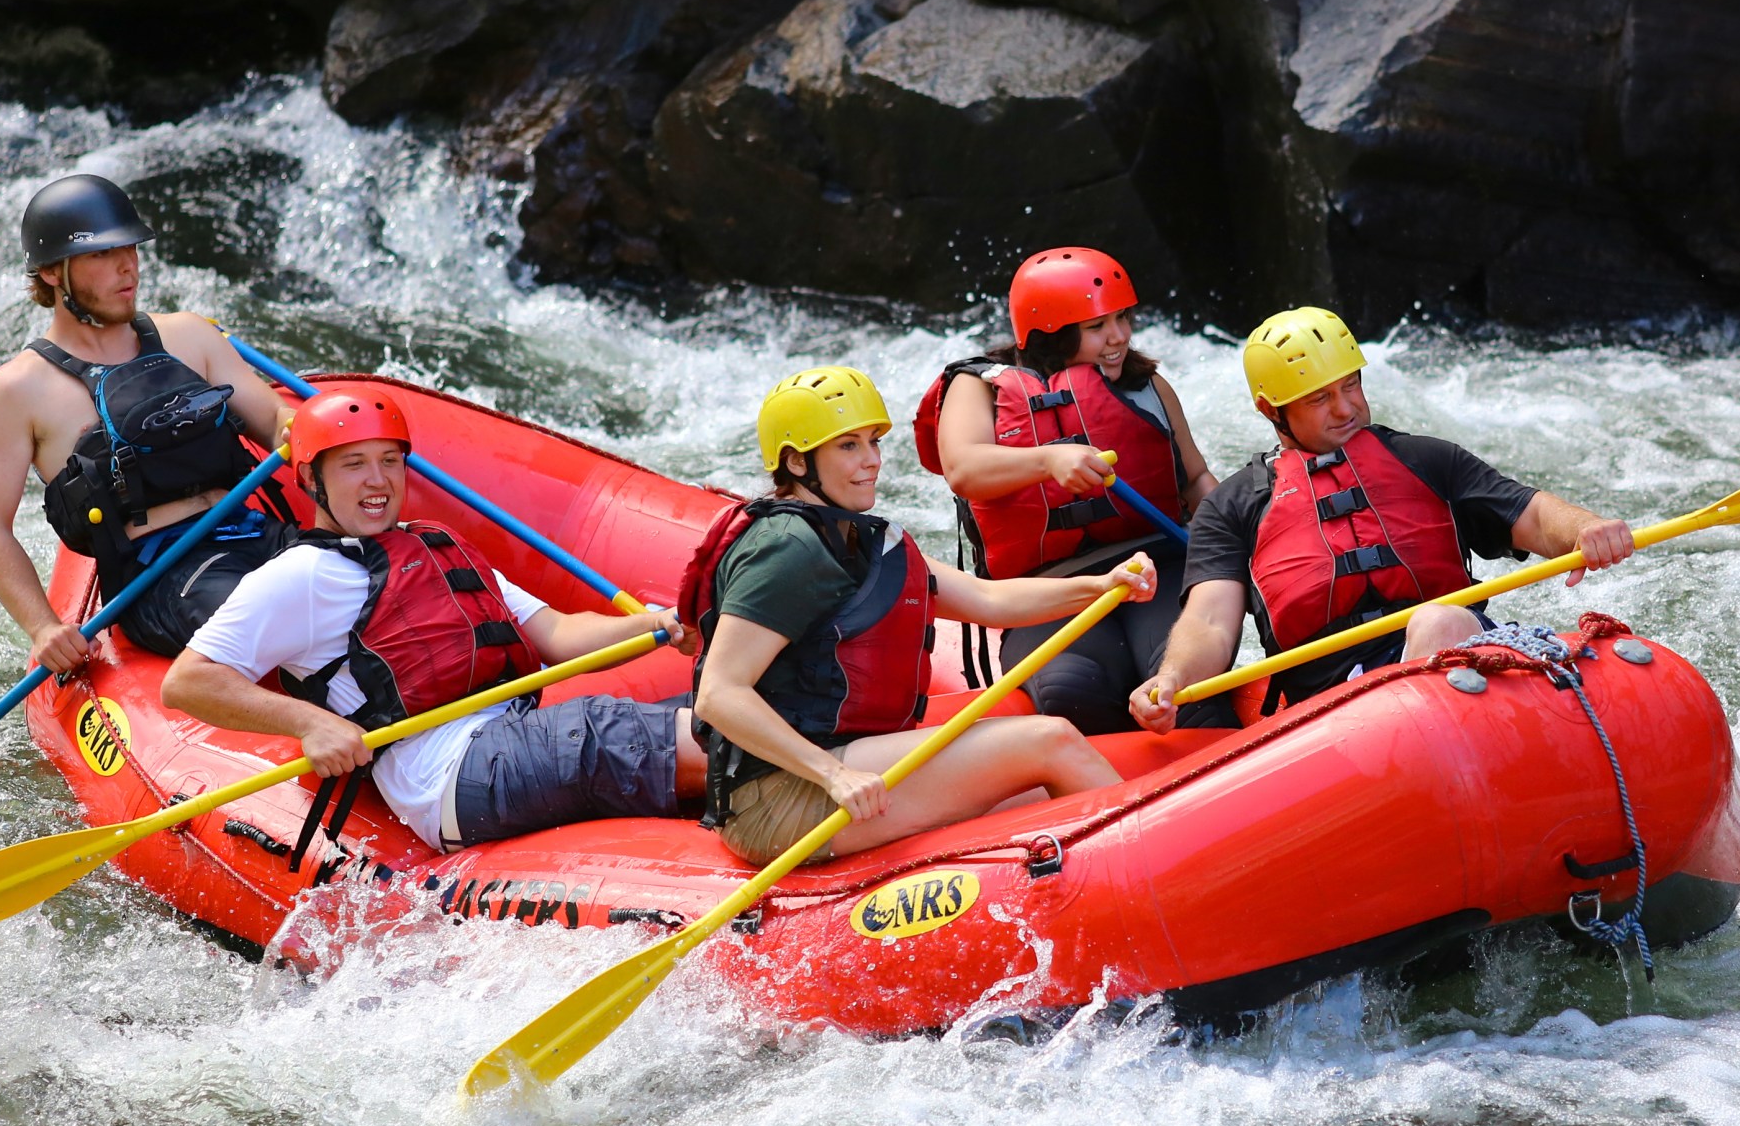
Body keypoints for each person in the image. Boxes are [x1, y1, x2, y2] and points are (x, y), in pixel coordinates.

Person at [162, 391, 704, 851]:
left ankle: (764, 778)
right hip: (453, 775)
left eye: (389, 461)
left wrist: (659, 625)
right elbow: (188, 682)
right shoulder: (301, 575)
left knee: (706, 708)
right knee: (600, 729)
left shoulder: (433, 546)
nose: (378, 481)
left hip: (510, 738)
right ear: (311, 477)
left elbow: (559, 636)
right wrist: (309, 723)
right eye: (354, 464)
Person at [686, 366, 1154, 867]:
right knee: (1051, 740)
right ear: (799, 463)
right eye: (848, 447)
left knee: (1047, 793)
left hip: (850, 760)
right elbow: (720, 693)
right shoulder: (786, 550)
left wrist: (1105, 586)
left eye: (873, 442)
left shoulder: (857, 537)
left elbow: (988, 600)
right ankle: (1155, 872)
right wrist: (832, 774)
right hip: (778, 798)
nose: (872, 462)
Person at [1130, 307, 1636, 732]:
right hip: (1336, 699)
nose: (1346, 407)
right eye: (1320, 398)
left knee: (1439, 620)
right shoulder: (1234, 504)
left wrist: (1583, 528)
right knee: (1433, 628)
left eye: (1351, 385)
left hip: (1458, 649)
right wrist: (1173, 676)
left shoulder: (1426, 459)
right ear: (1271, 410)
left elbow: (1531, 514)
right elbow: (1210, 621)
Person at [0, 173, 301, 667]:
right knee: (281, 618)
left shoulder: (190, 335)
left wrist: (314, 429)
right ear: (53, 273)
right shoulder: (19, 391)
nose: (127, 266)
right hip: (157, 577)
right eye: (101, 254)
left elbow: (275, 421)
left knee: (382, 579)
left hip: (254, 532)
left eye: (130, 248)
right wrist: (43, 627)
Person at [913, 247, 1233, 733]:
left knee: (1185, 685)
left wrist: (1241, 535)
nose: (1119, 337)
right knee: (1072, 690)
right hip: (1046, 588)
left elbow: (1195, 481)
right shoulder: (980, 387)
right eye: (1098, 326)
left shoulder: (1148, 386)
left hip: (1158, 566)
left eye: (1124, 318)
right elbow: (963, 467)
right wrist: (1047, 460)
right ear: (1049, 333)